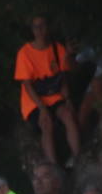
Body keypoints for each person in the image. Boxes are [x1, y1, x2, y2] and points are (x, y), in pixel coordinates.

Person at [15, 16, 81, 167]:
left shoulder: (58, 48)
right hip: (34, 101)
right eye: (36, 27)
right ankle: (54, 167)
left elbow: (63, 76)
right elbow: (27, 85)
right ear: (32, 30)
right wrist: (42, 109)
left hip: (54, 95)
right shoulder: (24, 53)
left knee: (68, 115)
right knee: (46, 123)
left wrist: (68, 99)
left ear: (48, 27)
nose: (40, 30)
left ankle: (79, 158)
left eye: (43, 25)